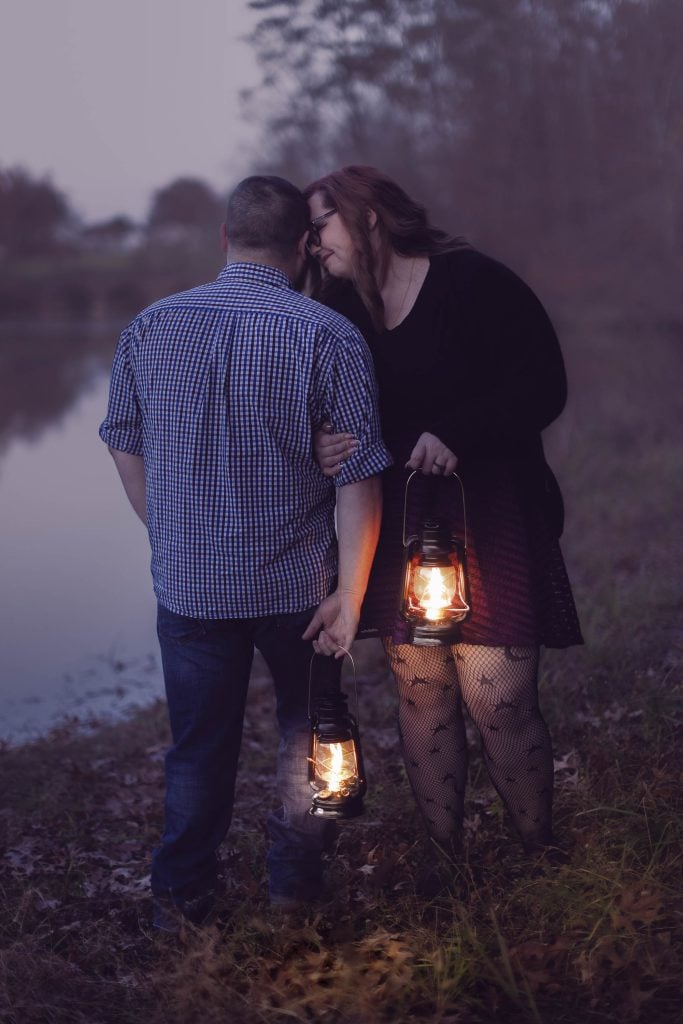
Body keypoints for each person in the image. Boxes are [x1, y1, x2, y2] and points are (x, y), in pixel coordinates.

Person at [99, 175, 392, 929]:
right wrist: (352, 597)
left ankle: (180, 905)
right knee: (308, 736)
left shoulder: (150, 327)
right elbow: (361, 482)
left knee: (197, 751)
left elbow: (124, 446)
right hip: (301, 589)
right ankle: (293, 891)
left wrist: (163, 530)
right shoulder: (327, 335)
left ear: (224, 239)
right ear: (302, 248)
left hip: (191, 588)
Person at [303, 165, 583, 882]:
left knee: (497, 693)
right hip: (398, 521)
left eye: (321, 225)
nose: (311, 244)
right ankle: (442, 859)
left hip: (490, 512)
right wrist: (323, 440)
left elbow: (542, 384)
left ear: (366, 217)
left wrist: (459, 429)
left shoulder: (473, 283)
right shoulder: (338, 308)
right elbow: (325, 407)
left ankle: (538, 852)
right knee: (421, 688)